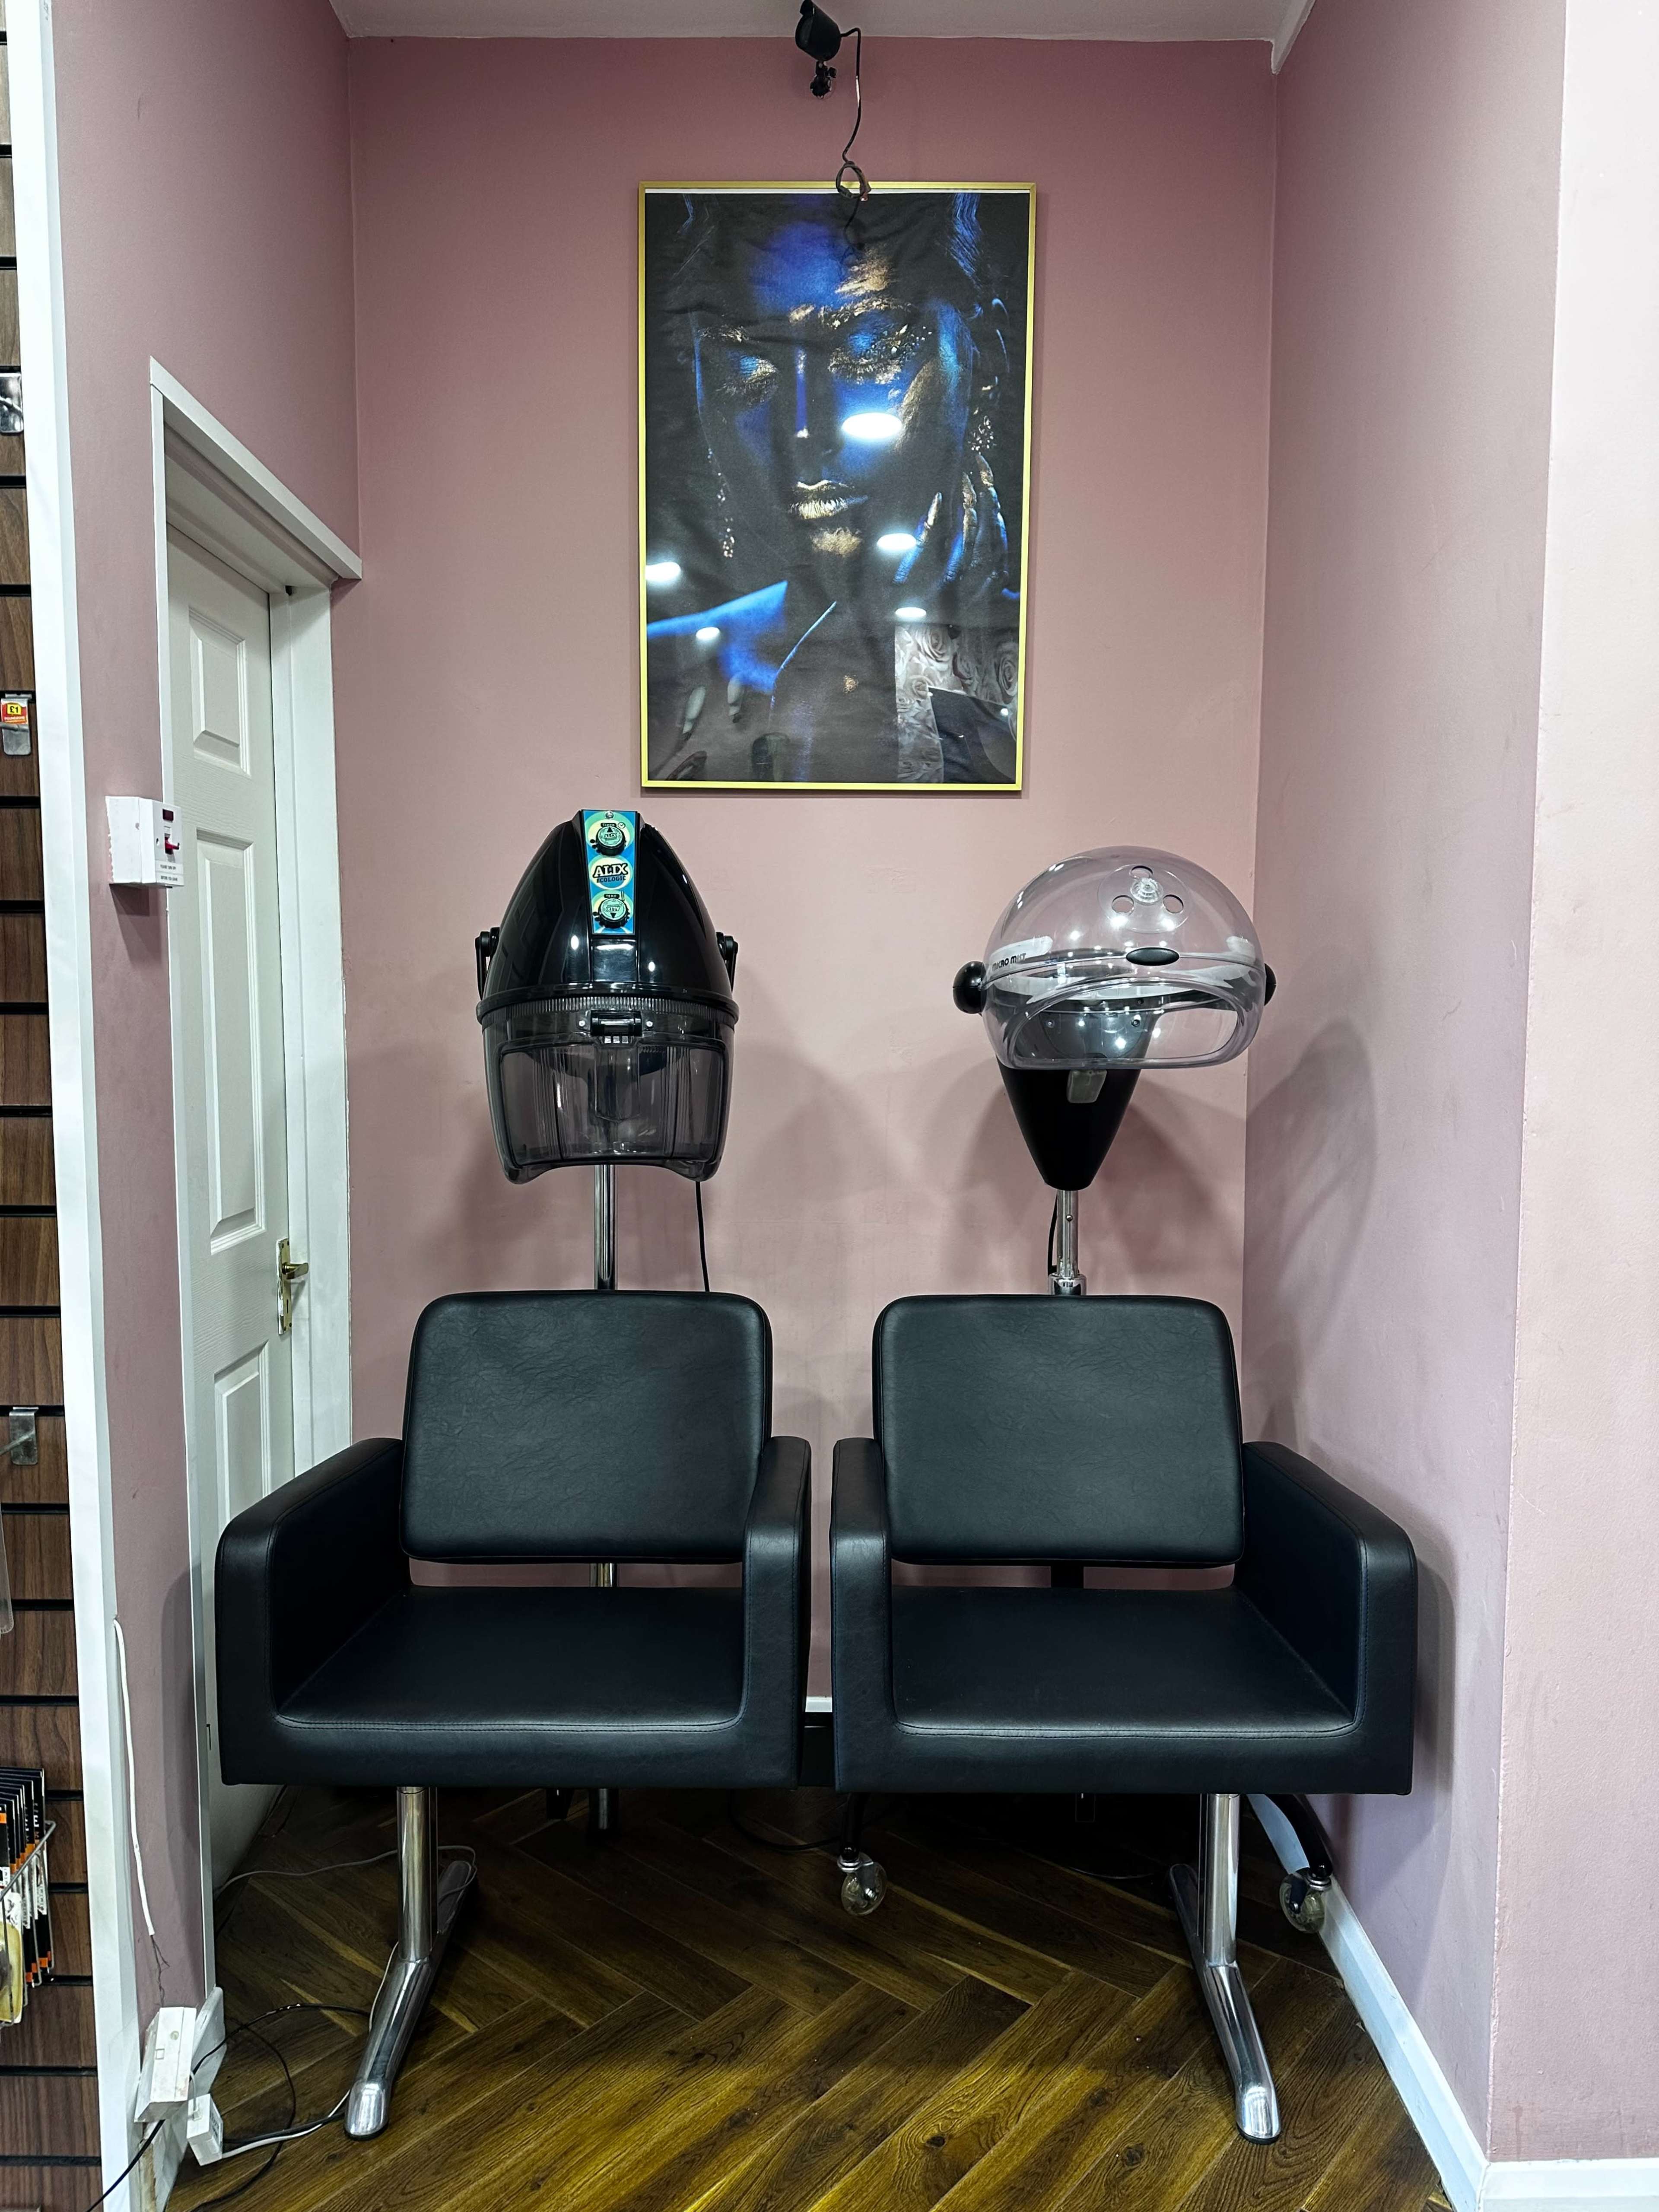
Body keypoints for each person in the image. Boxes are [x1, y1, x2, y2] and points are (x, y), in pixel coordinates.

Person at [643, 189, 1027, 784]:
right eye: (748, 362)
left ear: (986, 362)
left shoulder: (1048, 665)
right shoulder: (661, 673)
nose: (804, 429)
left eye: (870, 349)